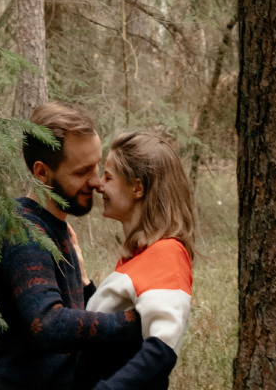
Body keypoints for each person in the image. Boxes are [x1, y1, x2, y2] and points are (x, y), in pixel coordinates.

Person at [0, 101, 141, 390]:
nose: (96, 181)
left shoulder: (55, 226)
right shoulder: (22, 231)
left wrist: (86, 283)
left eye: (97, 165)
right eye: (81, 172)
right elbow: (48, 324)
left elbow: (78, 322)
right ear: (42, 173)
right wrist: (134, 324)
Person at [79, 131, 195, 390]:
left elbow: (161, 349)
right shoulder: (142, 256)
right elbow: (119, 336)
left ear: (138, 188)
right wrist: (87, 285)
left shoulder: (167, 253)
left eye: (108, 177)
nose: (99, 185)